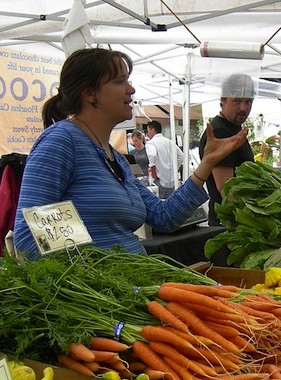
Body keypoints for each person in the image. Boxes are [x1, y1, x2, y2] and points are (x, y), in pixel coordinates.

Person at [12, 48, 247, 260]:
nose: (131, 89)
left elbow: (163, 217)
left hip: (130, 286)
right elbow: (29, 236)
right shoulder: (61, 141)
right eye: (119, 81)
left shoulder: (113, 157)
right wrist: (99, 279)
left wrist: (206, 164)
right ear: (89, 94)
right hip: (101, 296)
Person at [199, 73, 256, 227]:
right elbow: (226, 189)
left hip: (234, 220)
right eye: (237, 101)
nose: (243, 108)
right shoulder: (220, 132)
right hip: (228, 223)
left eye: (248, 102)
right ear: (223, 100)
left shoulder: (233, 130)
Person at [146, 120, 183, 199]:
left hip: (159, 179)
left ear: (153, 130)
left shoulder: (151, 143)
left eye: (148, 130)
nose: (147, 133)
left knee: (160, 205)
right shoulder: (170, 142)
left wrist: (153, 172)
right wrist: (174, 168)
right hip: (172, 180)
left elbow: (152, 155)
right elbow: (181, 156)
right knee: (171, 205)